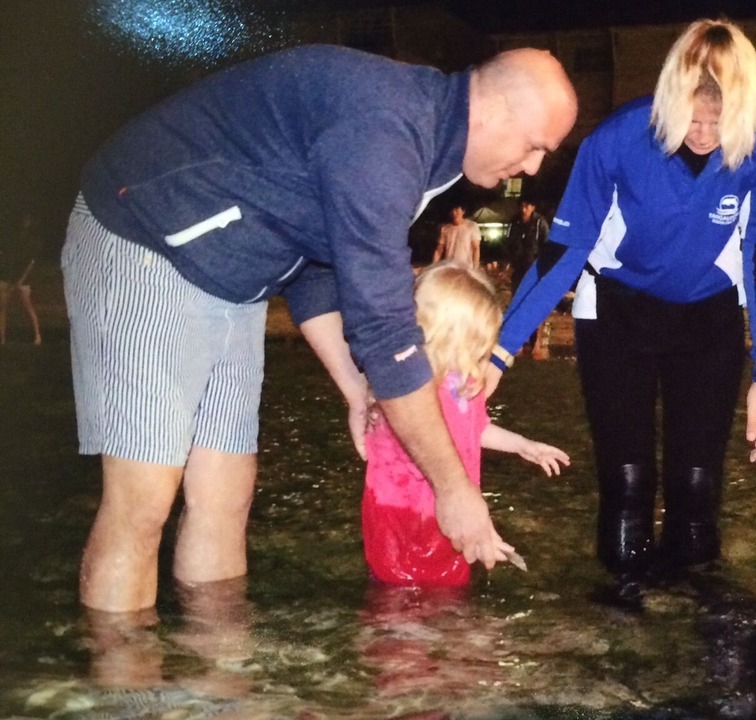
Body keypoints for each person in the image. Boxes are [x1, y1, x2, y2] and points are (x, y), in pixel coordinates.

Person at [62, 44, 577, 612]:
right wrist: (454, 492)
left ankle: (218, 688)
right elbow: (384, 329)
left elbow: (317, 263)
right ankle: (123, 689)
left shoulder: (426, 144)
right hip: (146, 233)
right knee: (144, 499)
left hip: (237, 277)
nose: (532, 168)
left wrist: (355, 389)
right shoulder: (387, 130)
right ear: (496, 108)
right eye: (535, 147)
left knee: (225, 496)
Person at [490, 19, 756, 606]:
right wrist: (501, 352)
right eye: (693, 118)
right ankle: (621, 635)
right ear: (669, 100)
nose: (705, 134)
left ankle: (696, 638)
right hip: (615, 314)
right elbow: (565, 248)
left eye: (720, 121)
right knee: (627, 483)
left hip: (708, 318)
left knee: (697, 486)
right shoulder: (615, 140)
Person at [363, 261, 568, 587]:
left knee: (449, 592)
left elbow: (476, 428)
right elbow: (418, 442)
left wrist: (523, 446)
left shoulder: (464, 383)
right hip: (402, 516)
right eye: (478, 344)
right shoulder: (410, 391)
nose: (484, 355)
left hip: (451, 509)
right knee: (400, 595)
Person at [504, 199, 551, 357]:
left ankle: (534, 341)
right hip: (518, 268)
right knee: (517, 303)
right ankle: (518, 340)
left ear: (533, 207)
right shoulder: (515, 223)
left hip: (534, 269)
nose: (524, 210)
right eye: (522, 206)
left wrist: (543, 267)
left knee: (533, 304)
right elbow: (509, 243)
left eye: (527, 206)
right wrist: (509, 261)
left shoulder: (539, 223)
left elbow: (547, 246)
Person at [1, 213, 43, 346]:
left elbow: (30, 263)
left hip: (22, 280)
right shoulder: (16, 238)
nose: (25, 222)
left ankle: (37, 335)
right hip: (8, 276)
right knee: (2, 307)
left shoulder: (33, 241)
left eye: (28, 219)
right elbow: (8, 256)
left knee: (28, 307)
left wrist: (20, 280)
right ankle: (2, 338)